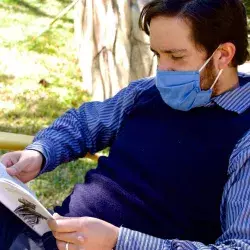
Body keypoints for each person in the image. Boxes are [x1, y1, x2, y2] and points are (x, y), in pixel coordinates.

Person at [1, 0, 250, 249]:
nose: (162, 69)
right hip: (47, 234)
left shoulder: (244, 136)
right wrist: (39, 153)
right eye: (157, 54)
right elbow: (83, 123)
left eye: (176, 56)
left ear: (223, 55)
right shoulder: (146, 92)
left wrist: (118, 242)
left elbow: (240, 245)